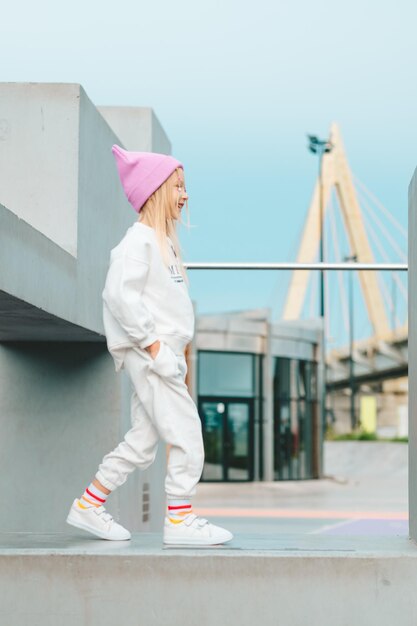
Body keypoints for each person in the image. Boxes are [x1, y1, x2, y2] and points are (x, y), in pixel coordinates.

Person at [66, 144, 233, 546]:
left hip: (162, 355)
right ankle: (179, 519)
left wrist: (166, 351)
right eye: (178, 186)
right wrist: (155, 348)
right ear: (156, 191)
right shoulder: (137, 243)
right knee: (188, 434)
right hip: (154, 356)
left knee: (142, 442)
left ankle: (89, 505)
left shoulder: (162, 244)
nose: (185, 195)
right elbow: (118, 296)